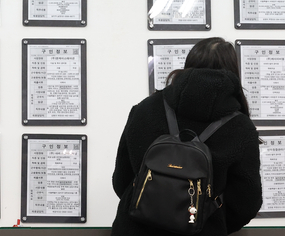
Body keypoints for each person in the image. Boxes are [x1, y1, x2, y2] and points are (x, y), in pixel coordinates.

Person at [111, 37, 262, 236]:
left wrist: (151, 207)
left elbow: (121, 179)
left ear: (189, 63)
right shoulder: (241, 127)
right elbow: (246, 202)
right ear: (234, 70)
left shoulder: (145, 109)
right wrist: (209, 220)